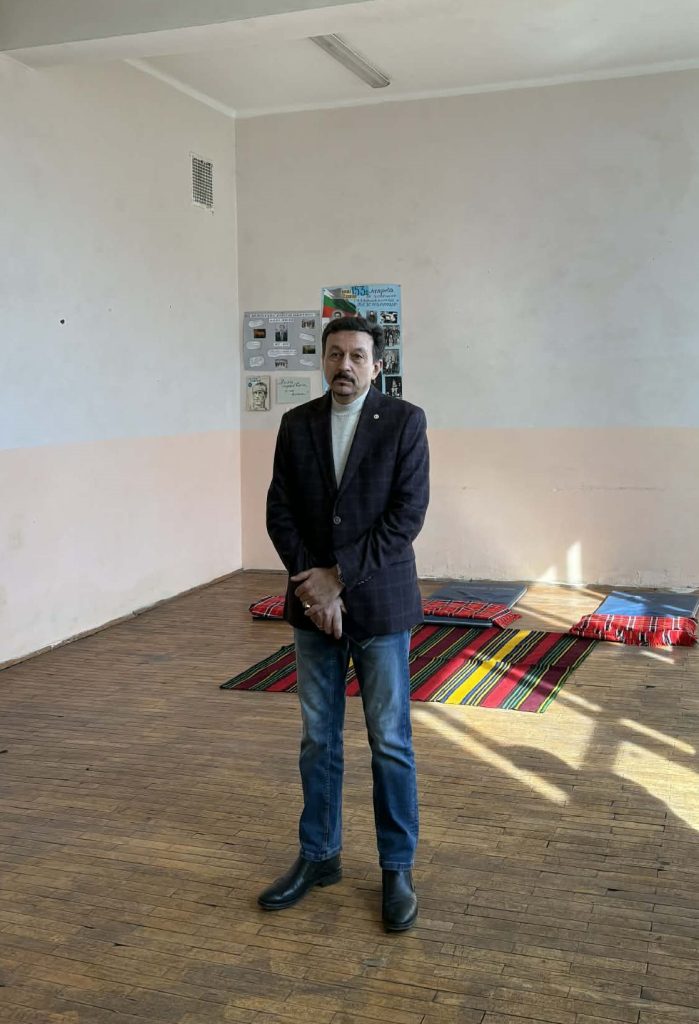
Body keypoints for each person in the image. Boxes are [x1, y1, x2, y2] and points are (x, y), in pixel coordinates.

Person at [260, 314, 429, 931]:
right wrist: (314, 586)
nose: (345, 365)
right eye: (335, 354)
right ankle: (320, 855)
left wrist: (339, 578)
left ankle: (396, 868)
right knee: (318, 739)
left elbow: (407, 514)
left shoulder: (405, 422)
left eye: (358, 355)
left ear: (377, 366)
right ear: (323, 361)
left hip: (380, 603)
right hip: (312, 607)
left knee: (390, 741)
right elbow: (280, 510)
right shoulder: (296, 423)